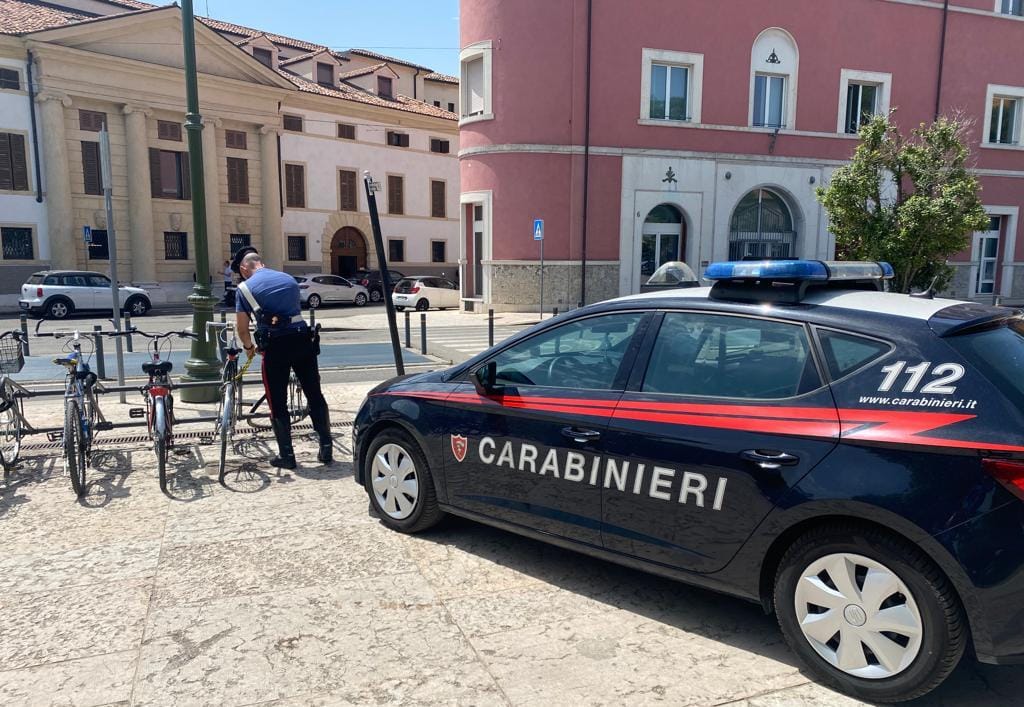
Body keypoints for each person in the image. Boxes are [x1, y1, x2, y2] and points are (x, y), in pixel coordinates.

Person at [231, 246, 332, 468]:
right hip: (303, 339)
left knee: (277, 401)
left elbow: (242, 329)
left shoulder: (244, 288)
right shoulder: (288, 279)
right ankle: (326, 448)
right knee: (314, 393)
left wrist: (249, 347)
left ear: (244, 268)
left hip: (275, 346)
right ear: (262, 263)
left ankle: (287, 456)